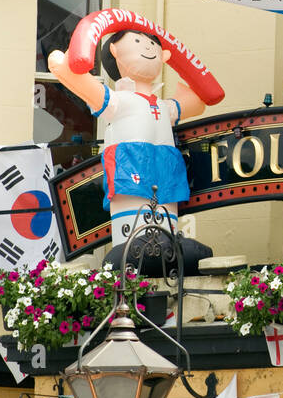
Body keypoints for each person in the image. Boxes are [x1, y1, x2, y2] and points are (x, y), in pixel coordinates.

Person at [47, 28, 210, 271]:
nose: (148, 48)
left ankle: (169, 244)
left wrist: (186, 62)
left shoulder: (164, 106)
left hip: (164, 174)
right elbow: (79, 81)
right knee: (134, 228)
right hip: (131, 174)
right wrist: (65, 63)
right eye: (137, 41)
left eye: (153, 45)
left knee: (166, 222)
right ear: (115, 52)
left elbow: (200, 100)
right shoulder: (118, 101)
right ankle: (135, 247)